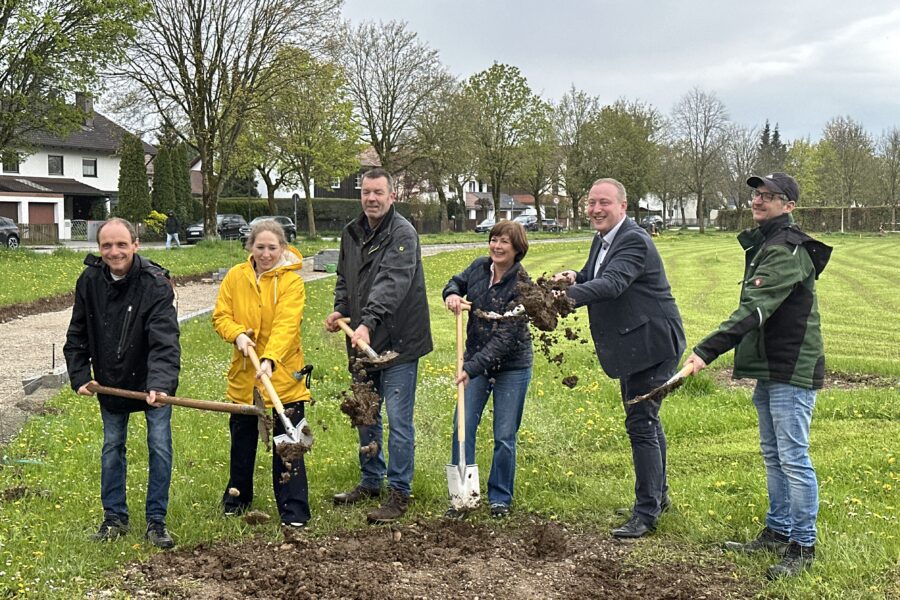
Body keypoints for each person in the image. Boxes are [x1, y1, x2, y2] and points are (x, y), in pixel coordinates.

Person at [684, 172, 831, 579]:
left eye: (770, 196)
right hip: (772, 366)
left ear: (789, 205)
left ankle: (803, 545)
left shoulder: (786, 248)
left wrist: (705, 352)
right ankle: (778, 530)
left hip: (791, 366)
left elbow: (755, 309)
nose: (758, 200)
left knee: (793, 457)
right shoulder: (767, 242)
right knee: (773, 454)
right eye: (756, 194)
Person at [554, 178, 685, 539]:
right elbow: (596, 275)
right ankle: (658, 498)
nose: (596, 209)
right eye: (591, 202)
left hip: (652, 343)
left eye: (604, 203)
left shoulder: (633, 239)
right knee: (645, 419)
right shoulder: (605, 238)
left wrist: (564, 300)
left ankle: (646, 513)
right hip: (635, 342)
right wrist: (574, 277)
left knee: (641, 422)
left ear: (623, 207)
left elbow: (612, 284)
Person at [64, 217, 180, 549]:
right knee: (112, 448)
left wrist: (160, 384)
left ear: (135, 245)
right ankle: (114, 518)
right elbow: (77, 335)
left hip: (150, 382)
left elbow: (165, 341)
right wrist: (80, 377)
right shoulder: (89, 281)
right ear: (99, 249)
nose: (114, 252)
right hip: (111, 380)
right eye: (106, 246)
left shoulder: (155, 283)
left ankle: (156, 522)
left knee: (159, 445)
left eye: (121, 245)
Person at [325, 168, 432, 524]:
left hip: (399, 342)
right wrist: (342, 308)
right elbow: (345, 277)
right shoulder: (351, 233)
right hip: (362, 342)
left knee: (399, 421)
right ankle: (371, 480)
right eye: (366, 192)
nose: (371, 198)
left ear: (392, 196)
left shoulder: (402, 234)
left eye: (378, 193)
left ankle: (399, 491)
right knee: (365, 414)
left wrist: (367, 322)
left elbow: (392, 282)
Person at [212, 220, 312, 528]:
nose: (266, 254)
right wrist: (237, 334)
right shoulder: (236, 277)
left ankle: (293, 509)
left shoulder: (292, 283)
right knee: (242, 440)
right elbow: (221, 316)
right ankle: (237, 497)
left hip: (282, 375)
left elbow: (286, 325)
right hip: (245, 376)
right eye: (260, 247)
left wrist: (269, 359)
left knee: (288, 444)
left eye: (272, 248)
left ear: (283, 248)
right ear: (249, 247)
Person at [443, 220, 533, 520]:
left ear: (516, 248)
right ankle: (461, 497)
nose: (496, 246)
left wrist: (470, 367)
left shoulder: (522, 284)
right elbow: (456, 281)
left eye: (503, 241)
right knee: (463, 426)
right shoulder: (480, 268)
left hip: (512, 366)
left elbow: (506, 340)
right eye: (494, 239)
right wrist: (452, 294)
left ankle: (500, 498)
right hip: (477, 360)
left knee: (504, 434)